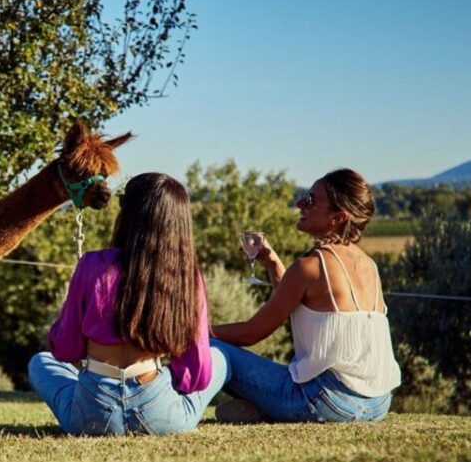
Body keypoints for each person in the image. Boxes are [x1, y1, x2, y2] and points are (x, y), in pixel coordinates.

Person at [28, 172, 229, 435]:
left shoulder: (91, 264)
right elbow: (198, 373)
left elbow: (66, 350)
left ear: (129, 214)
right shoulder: (188, 276)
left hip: (93, 412)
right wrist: (169, 380)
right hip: (158, 410)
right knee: (220, 357)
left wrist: (64, 321)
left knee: (40, 362)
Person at [211, 168, 401, 423]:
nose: (300, 203)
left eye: (311, 200)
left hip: (328, 402)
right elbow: (296, 303)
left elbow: (251, 332)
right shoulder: (369, 265)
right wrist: (273, 263)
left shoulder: (310, 267)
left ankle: (181, 407)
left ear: (337, 217)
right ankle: (264, 408)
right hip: (379, 403)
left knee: (213, 348)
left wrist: (193, 331)